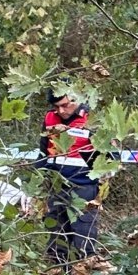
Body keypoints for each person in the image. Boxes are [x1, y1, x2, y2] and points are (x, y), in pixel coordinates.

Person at [36, 87, 101, 264]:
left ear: (76, 99)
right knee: (56, 241)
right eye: (56, 107)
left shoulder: (92, 118)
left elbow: (108, 156)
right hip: (55, 187)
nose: (61, 111)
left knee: (83, 239)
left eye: (64, 106)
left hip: (83, 187)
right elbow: (43, 153)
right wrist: (37, 180)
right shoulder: (50, 118)